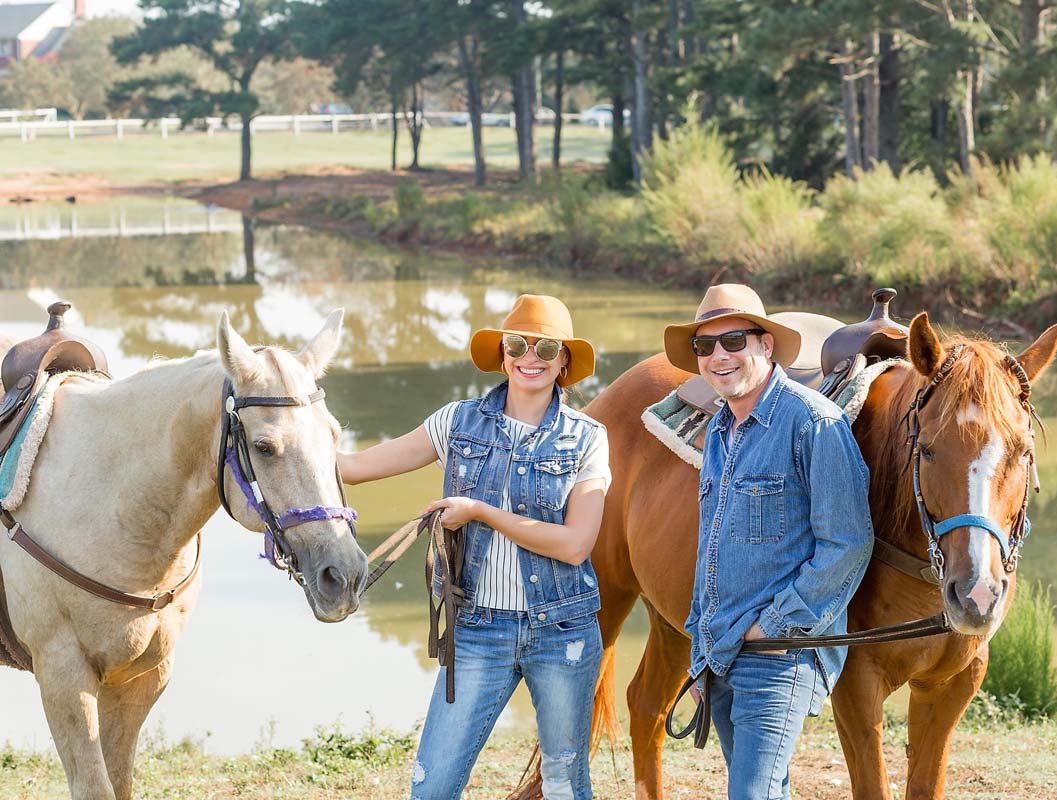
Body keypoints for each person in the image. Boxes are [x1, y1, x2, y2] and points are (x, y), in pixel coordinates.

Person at [338, 294, 610, 800]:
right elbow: (355, 467)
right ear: (503, 354)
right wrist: (282, 443)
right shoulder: (457, 421)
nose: (530, 356)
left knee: (563, 785)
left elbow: (575, 546)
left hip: (563, 631)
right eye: (517, 344)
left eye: (546, 348)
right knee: (433, 785)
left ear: (564, 362)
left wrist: (481, 512)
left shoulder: (588, 437)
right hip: (478, 628)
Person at [663, 283, 874, 800]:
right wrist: (703, 646)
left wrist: (773, 625)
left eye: (734, 341)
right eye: (704, 346)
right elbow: (713, 549)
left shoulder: (813, 424)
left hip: (781, 652)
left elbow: (849, 543)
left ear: (766, 345)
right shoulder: (718, 430)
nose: (718, 356)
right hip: (721, 650)